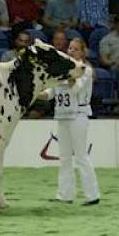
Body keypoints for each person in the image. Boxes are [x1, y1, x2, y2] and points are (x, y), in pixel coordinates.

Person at [38, 38, 100, 205]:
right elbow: (52, 93)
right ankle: (65, 195)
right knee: (64, 157)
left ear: (82, 52)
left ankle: (92, 195)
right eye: (70, 48)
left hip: (79, 115)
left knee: (81, 156)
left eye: (75, 49)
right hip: (63, 115)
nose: (71, 51)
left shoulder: (85, 70)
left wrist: (70, 74)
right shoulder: (63, 71)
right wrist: (38, 93)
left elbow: (75, 89)